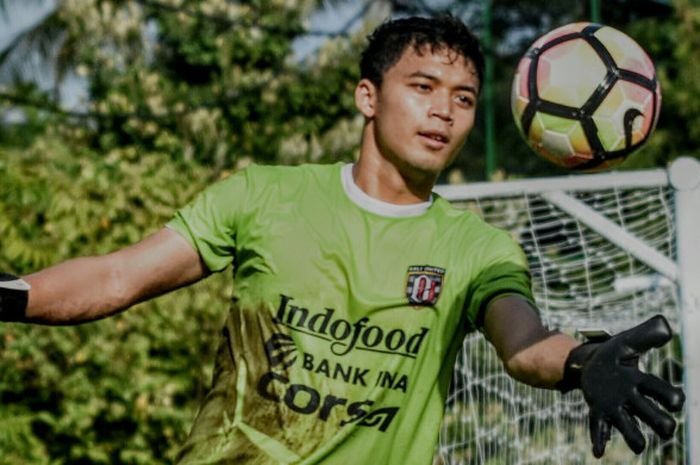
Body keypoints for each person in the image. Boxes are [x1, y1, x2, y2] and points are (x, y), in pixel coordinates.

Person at [0, 15, 685, 465]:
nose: (444, 110)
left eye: (465, 98)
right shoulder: (263, 196)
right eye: (423, 86)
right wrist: (10, 295)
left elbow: (525, 345)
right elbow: (118, 278)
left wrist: (585, 358)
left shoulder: (479, 249)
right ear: (367, 97)